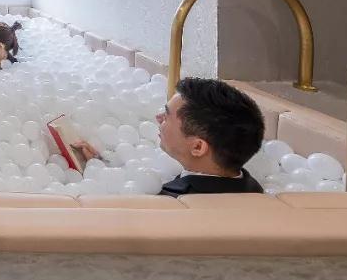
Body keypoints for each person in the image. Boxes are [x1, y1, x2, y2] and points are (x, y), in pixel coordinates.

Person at [72, 77, 265, 197]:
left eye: (167, 115)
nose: (158, 117)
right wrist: (101, 164)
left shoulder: (167, 202)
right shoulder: (252, 188)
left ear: (198, 147)